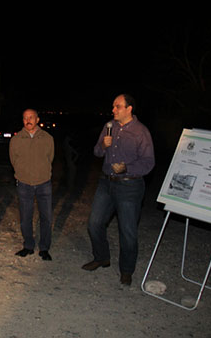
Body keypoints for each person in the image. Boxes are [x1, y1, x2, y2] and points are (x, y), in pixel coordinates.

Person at [81, 94, 155, 286]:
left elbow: (148, 163)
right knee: (94, 223)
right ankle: (102, 257)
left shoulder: (141, 132)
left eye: (118, 106)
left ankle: (127, 270)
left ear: (129, 109)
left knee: (127, 231)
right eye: (113, 106)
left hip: (130, 186)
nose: (113, 110)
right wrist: (103, 146)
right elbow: (97, 152)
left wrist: (126, 168)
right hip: (106, 183)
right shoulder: (109, 127)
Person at [9, 109, 55, 261]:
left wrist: (41, 171)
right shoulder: (16, 139)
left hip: (44, 183)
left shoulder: (47, 138)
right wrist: (22, 173)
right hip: (24, 183)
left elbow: (50, 157)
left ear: (37, 119)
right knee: (25, 217)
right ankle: (28, 246)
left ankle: (44, 248)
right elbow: (13, 160)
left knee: (46, 217)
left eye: (31, 117)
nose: (28, 120)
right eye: (25, 118)